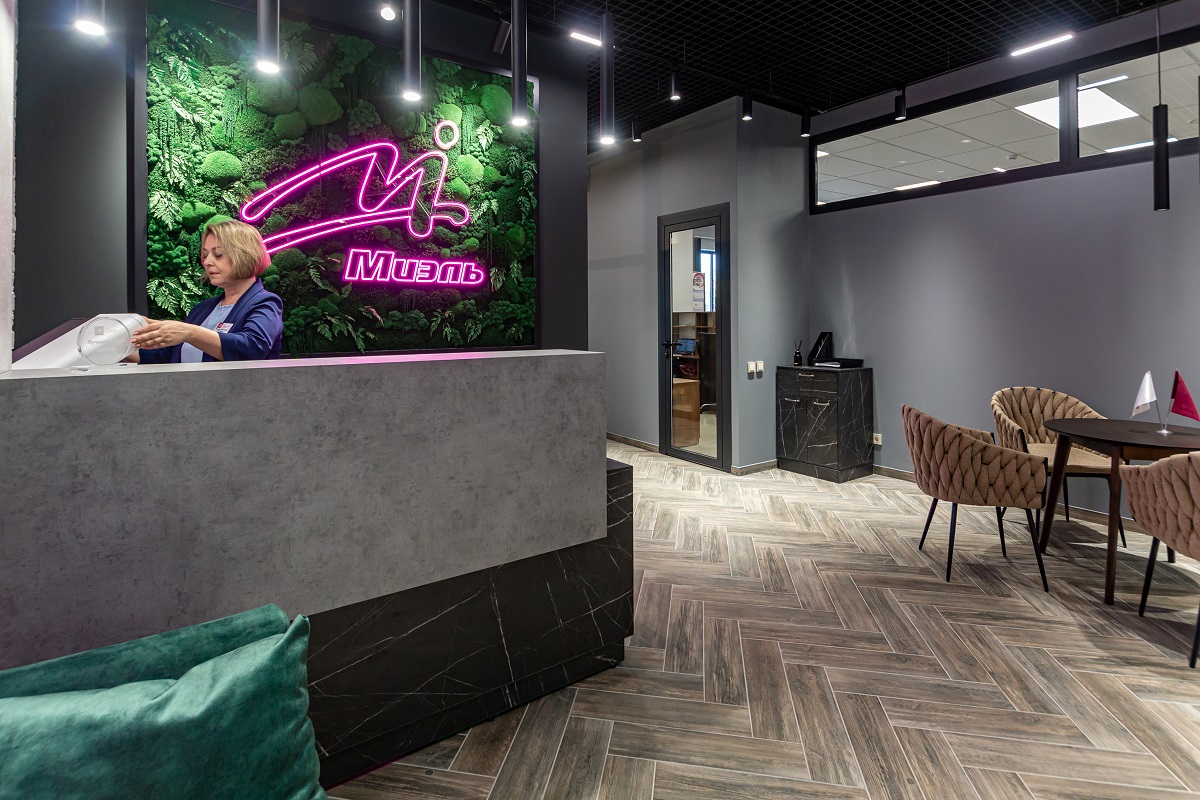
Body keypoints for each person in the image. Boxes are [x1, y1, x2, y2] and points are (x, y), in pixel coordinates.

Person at [130, 219, 283, 363]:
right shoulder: (202, 309)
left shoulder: (265, 303)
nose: (207, 262)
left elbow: (253, 347)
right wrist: (123, 347)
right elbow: (170, 355)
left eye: (218, 255)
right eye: (205, 255)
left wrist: (189, 332)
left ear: (244, 255)